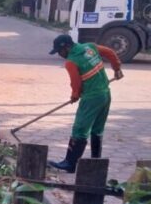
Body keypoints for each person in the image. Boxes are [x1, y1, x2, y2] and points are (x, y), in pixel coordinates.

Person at [48, 34, 123, 172]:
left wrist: (75, 95)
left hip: (91, 98)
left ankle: (70, 163)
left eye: (59, 51)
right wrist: (117, 69)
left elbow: (76, 83)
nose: (59, 55)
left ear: (66, 47)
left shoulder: (71, 61)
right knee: (97, 129)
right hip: (105, 94)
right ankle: (96, 162)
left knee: (79, 129)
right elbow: (111, 53)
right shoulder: (90, 46)